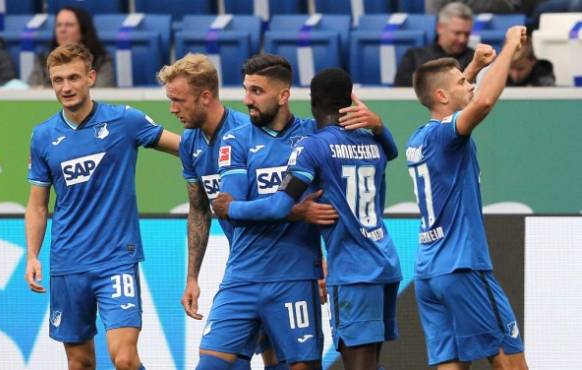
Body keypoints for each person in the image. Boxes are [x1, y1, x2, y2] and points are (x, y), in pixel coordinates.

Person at [194, 54, 388, 370]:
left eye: (256, 91)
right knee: (212, 366)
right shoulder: (236, 139)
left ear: (283, 96)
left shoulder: (316, 137)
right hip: (242, 276)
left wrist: (379, 125)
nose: (247, 100)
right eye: (246, 90)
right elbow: (232, 207)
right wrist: (292, 213)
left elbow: (375, 159)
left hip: (296, 277)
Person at [24, 43, 179, 370]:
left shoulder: (124, 121)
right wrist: (32, 255)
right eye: (57, 80)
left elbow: (182, 146)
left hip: (115, 259)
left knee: (123, 358)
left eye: (74, 78)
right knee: (79, 363)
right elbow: (38, 206)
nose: (66, 87)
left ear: (91, 77)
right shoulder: (42, 137)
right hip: (68, 263)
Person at [405, 26, 529, 369]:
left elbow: (451, 95)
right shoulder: (448, 137)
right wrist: (507, 49)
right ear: (443, 96)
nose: (471, 85)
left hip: (429, 274)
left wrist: (471, 67)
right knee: (510, 360)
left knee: (452, 363)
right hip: (463, 267)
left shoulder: (418, 138)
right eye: (463, 82)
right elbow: (484, 102)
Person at [157, 52, 288, 370]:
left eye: (179, 100)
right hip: (242, 268)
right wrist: (192, 278)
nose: (173, 109)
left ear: (205, 96)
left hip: (281, 270)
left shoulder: (249, 131)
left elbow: (286, 204)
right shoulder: (190, 143)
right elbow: (199, 210)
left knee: (276, 361)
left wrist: (318, 263)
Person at [394, 2, 477, 87]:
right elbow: (400, 92)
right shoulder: (414, 57)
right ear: (439, 28)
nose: (462, 40)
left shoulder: (476, 59)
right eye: (457, 33)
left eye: (467, 34)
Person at [28, 6, 114, 88]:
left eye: (69, 25)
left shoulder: (101, 59)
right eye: (59, 25)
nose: (62, 30)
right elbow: (32, 90)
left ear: (83, 30)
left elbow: (102, 92)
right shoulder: (42, 59)